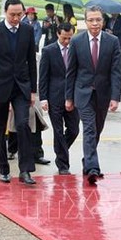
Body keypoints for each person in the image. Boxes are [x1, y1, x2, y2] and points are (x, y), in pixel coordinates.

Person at [0, 0, 38, 185]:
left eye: (19, 15)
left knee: (23, 125)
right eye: (12, 15)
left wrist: (33, 90)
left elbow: (31, 62)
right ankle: (3, 169)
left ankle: (25, 170)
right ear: (5, 12)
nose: (16, 18)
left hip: (21, 87)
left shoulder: (27, 31)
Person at [65, 5, 121, 185]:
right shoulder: (76, 41)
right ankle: (92, 168)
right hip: (82, 93)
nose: (95, 23)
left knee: (97, 129)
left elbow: (116, 72)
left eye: (98, 19)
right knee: (89, 128)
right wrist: (68, 97)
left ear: (102, 21)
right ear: (86, 21)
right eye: (91, 20)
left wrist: (115, 97)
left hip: (103, 94)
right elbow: (71, 72)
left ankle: (87, 160)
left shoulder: (112, 42)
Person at [39, 22, 80, 175]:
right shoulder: (48, 51)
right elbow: (43, 77)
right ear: (58, 34)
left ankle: (60, 150)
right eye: (64, 38)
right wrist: (43, 98)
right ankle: (63, 164)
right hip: (54, 97)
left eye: (70, 38)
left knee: (74, 129)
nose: (67, 41)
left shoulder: (76, 49)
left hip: (73, 96)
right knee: (58, 130)